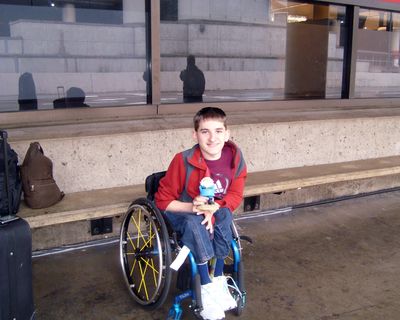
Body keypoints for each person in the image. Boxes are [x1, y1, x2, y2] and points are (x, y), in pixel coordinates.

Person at [155, 107, 247, 320]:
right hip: (183, 213)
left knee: (225, 215)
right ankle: (205, 285)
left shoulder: (235, 160)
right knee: (195, 222)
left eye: (217, 131)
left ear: (227, 133)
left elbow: (235, 194)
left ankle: (217, 278)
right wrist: (193, 208)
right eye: (205, 131)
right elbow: (162, 201)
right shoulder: (182, 160)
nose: (212, 137)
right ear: (195, 135)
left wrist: (215, 208)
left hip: (213, 211)